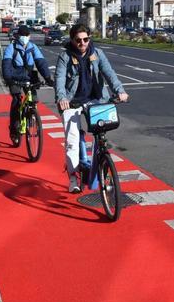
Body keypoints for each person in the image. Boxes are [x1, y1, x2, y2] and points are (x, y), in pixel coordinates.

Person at [54, 24, 129, 193]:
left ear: (89, 38)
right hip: (72, 102)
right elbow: (59, 79)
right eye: (78, 40)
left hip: (96, 100)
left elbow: (109, 73)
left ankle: (98, 162)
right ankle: (73, 177)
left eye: (86, 39)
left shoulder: (97, 54)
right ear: (72, 40)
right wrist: (62, 97)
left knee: (100, 133)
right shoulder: (65, 57)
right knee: (72, 142)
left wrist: (120, 91)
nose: (82, 43)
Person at [1, 25, 52, 146]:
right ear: (18, 36)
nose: (24, 38)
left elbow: (41, 63)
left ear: (29, 36)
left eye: (26, 35)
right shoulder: (11, 48)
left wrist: (48, 78)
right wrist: (8, 78)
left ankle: (31, 115)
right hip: (15, 78)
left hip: (29, 77)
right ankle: (14, 129)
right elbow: (6, 64)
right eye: (22, 35)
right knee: (16, 100)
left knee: (33, 99)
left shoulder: (33, 47)